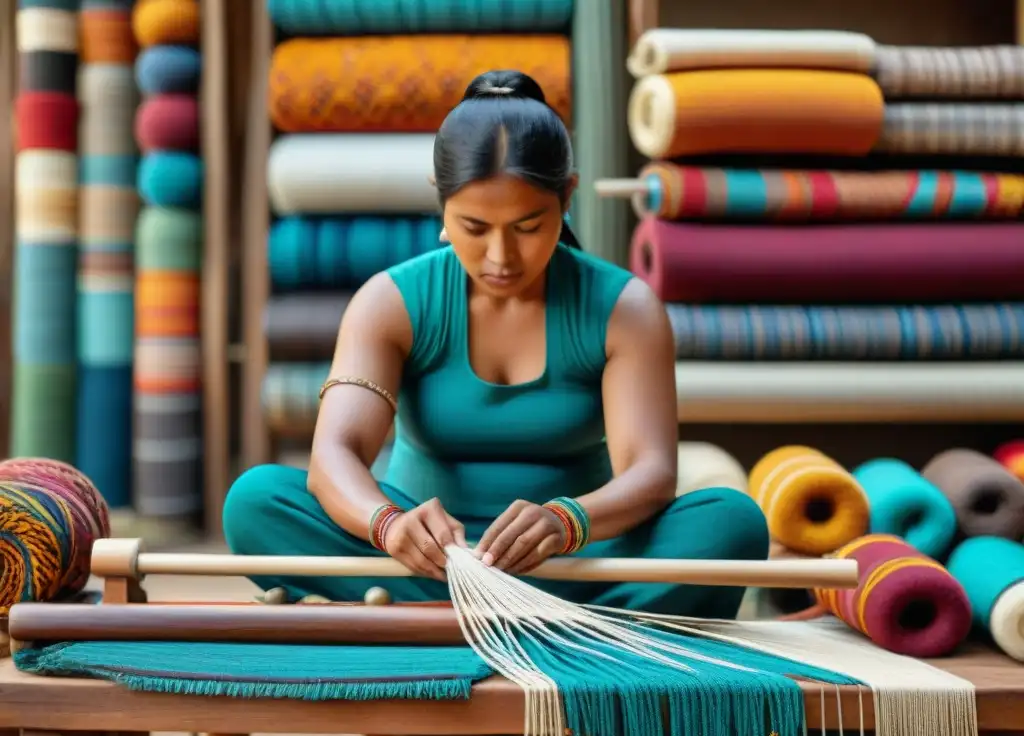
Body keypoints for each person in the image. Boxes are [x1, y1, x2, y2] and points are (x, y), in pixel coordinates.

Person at [223, 69, 769, 620]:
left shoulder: (625, 309)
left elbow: (649, 474)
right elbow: (333, 455)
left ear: (567, 198)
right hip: (427, 560)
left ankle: (441, 619)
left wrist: (565, 522)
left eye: (528, 227)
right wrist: (389, 525)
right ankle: (573, 624)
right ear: (441, 205)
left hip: (577, 559)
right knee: (256, 499)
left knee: (731, 522)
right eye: (475, 227)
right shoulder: (388, 302)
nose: (501, 257)